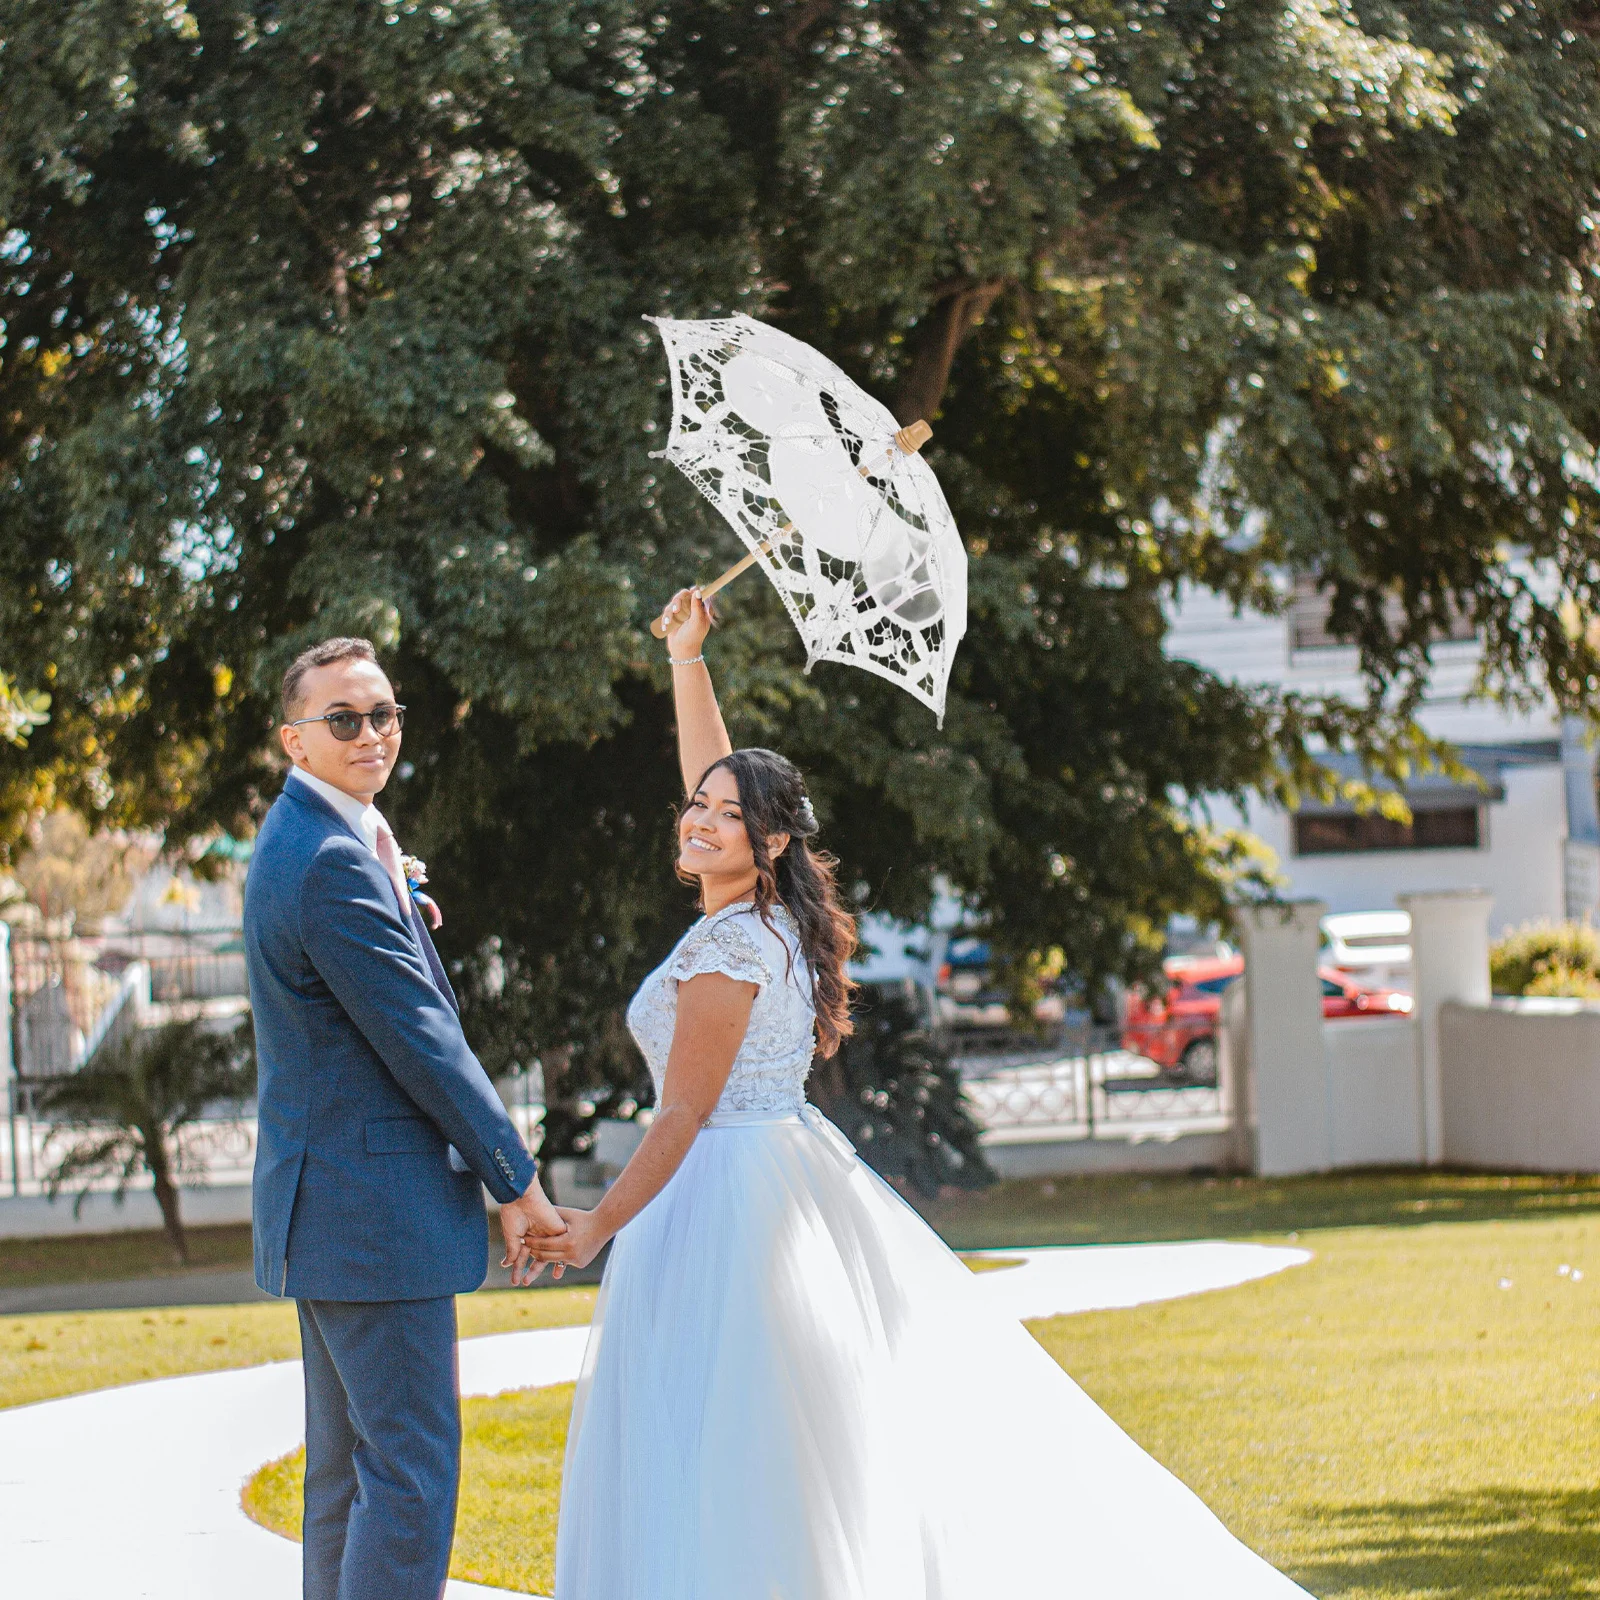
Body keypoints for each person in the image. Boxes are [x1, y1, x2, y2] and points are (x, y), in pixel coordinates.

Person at [525, 591, 1315, 1598]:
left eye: (730, 816)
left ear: (769, 845)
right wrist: (688, 660)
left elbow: (681, 1111)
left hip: (720, 1197)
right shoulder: (762, 912)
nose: (703, 819)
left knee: (723, 1439)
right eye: (698, 806)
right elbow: (721, 777)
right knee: (768, 1439)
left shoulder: (730, 944)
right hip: (771, 1177)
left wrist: (596, 1226)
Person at [244, 636, 565, 1600]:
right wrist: (520, 1181)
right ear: (295, 740)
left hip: (340, 1214)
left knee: (352, 1480)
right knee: (411, 1479)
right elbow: (424, 1042)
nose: (371, 733)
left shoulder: (333, 838)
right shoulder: (328, 859)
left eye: (384, 713)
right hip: (371, 1216)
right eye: (343, 718)